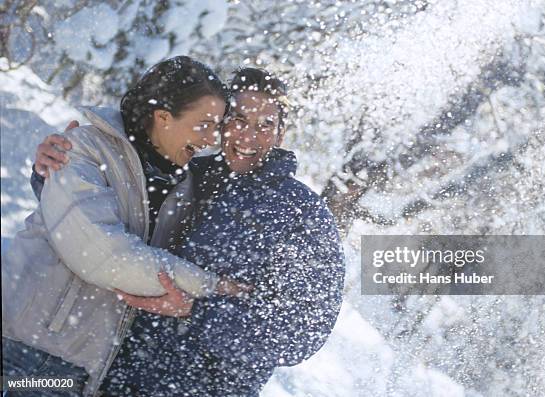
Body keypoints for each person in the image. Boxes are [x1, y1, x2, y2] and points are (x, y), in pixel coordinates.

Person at [30, 68, 346, 396]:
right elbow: (100, 220)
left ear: (281, 134)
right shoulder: (186, 176)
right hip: (116, 377)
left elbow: (304, 332)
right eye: (238, 119)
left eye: (265, 125)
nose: (248, 137)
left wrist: (197, 311)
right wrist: (54, 168)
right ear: (221, 123)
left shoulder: (303, 214)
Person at [2, 56, 249, 397]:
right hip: (25, 350)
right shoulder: (85, 147)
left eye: (217, 126)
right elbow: (106, 256)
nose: (211, 139)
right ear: (162, 116)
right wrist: (211, 287)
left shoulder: (184, 188)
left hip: (85, 368)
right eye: (204, 124)